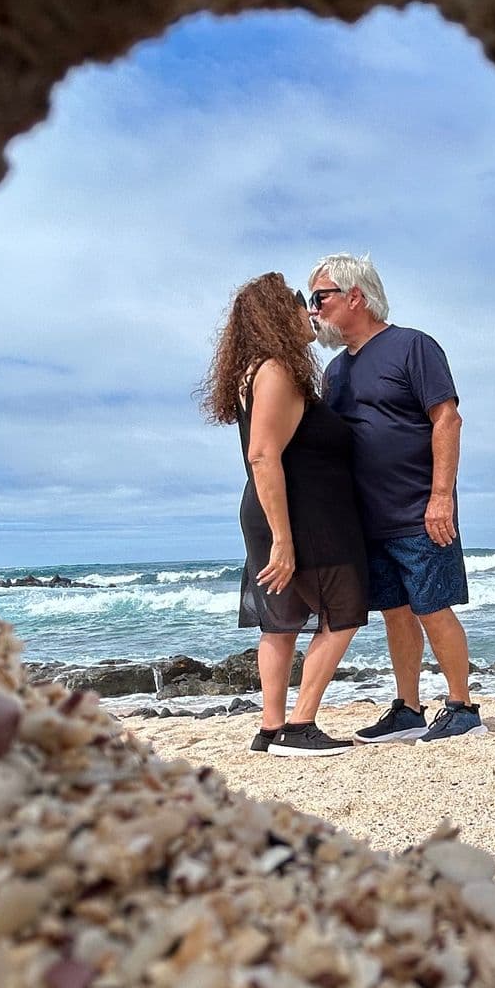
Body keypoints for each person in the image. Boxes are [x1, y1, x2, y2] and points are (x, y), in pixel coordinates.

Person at [306, 254, 483, 743]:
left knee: (433, 607)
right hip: (366, 518)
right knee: (395, 611)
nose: (313, 308)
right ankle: (408, 708)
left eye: (320, 298)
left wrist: (441, 496)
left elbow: (446, 419)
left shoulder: (413, 346)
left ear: (354, 297)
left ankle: (463, 707)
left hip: (419, 508)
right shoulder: (335, 372)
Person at [200, 272, 369, 757]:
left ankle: (271, 728)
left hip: (280, 512)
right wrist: (284, 539)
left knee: (280, 621)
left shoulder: (254, 372)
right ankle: (299, 725)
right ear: (278, 312)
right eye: (301, 300)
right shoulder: (275, 370)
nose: (310, 309)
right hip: (299, 516)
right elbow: (261, 455)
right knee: (343, 610)